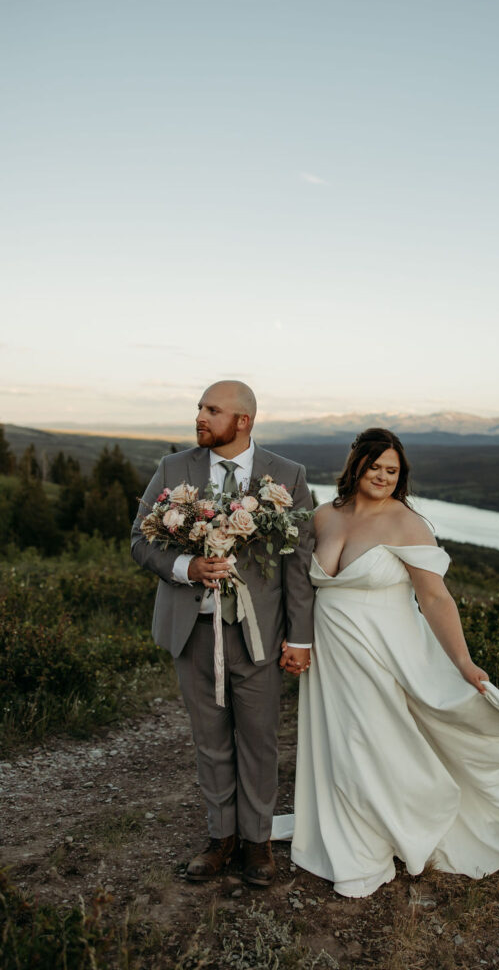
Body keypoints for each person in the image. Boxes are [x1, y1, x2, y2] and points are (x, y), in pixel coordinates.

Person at [278, 428, 499, 898]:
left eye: (392, 470)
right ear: (355, 464)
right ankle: (338, 831)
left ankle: (370, 845)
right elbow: (299, 585)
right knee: (334, 740)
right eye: (375, 466)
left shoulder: (408, 523)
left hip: (384, 651)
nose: (383, 476)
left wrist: (464, 662)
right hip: (331, 652)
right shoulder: (324, 514)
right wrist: (297, 640)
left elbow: (435, 597)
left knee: (365, 741)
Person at [131, 380, 315, 887]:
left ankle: (257, 843)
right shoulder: (172, 470)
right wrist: (187, 565)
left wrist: (300, 638)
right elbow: (139, 541)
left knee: (258, 741)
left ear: (243, 421)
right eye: (199, 408)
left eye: (212, 410)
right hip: (193, 629)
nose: (200, 417)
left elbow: (298, 567)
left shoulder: (289, 476)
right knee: (210, 739)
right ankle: (221, 838)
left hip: (257, 635)